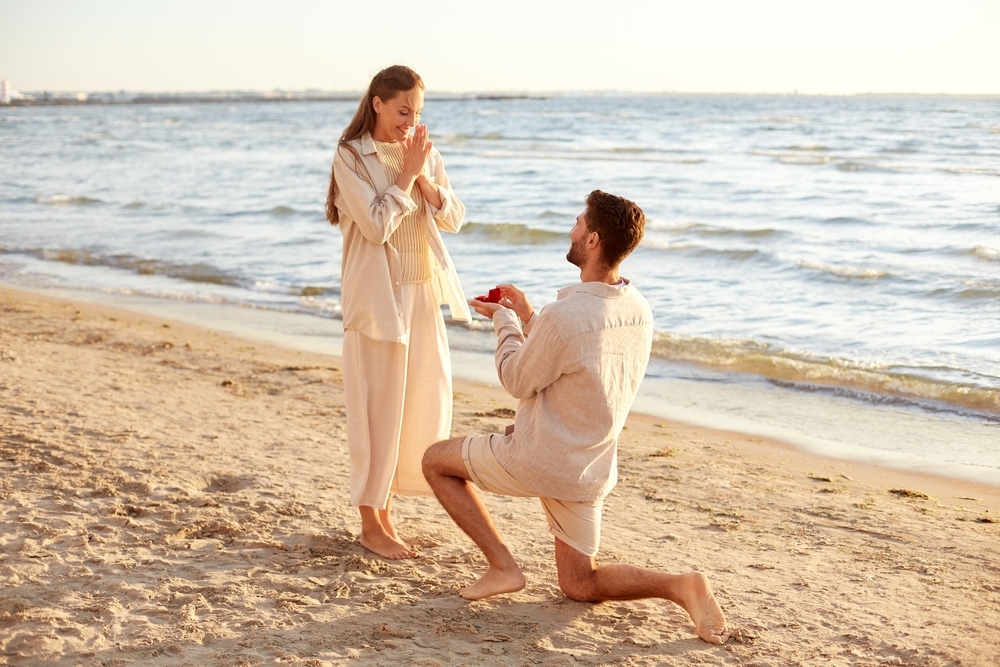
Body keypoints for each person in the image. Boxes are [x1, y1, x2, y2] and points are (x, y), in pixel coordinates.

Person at [422, 190, 729, 644]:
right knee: (579, 583)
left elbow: (517, 379)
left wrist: (505, 322)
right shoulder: (638, 310)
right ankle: (680, 585)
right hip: (588, 467)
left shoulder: (564, 317)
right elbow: (576, 358)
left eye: (578, 224)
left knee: (434, 460)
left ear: (594, 241)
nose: (572, 230)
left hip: (536, 457)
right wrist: (529, 315)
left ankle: (502, 565)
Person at [326, 65, 470, 560]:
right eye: (403, 110)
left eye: (418, 112)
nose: (411, 121)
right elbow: (377, 226)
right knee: (376, 412)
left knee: (417, 409)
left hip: (422, 293)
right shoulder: (351, 156)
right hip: (377, 298)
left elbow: (455, 218)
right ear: (377, 104)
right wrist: (409, 174)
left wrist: (428, 183)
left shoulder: (422, 152)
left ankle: (386, 516)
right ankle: (370, 523)